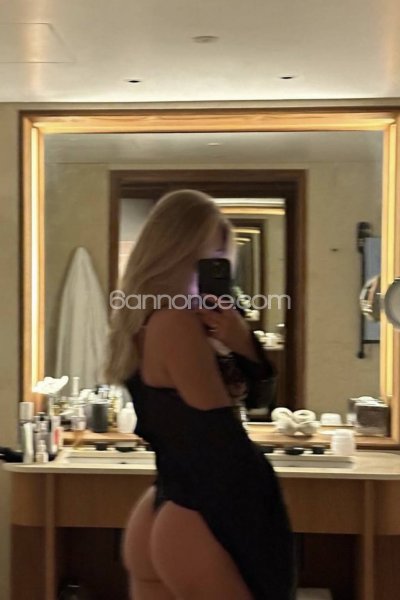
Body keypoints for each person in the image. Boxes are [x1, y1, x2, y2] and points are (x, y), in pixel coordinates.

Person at [104, 189, 296, 600]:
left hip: (167, 503)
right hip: (204, 514)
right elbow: (220, 437)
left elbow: (254, 401)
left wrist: (242, 343)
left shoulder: (141, 320)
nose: (220, 265)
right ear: (179, 251)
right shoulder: (176, 323)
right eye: (213, 254)